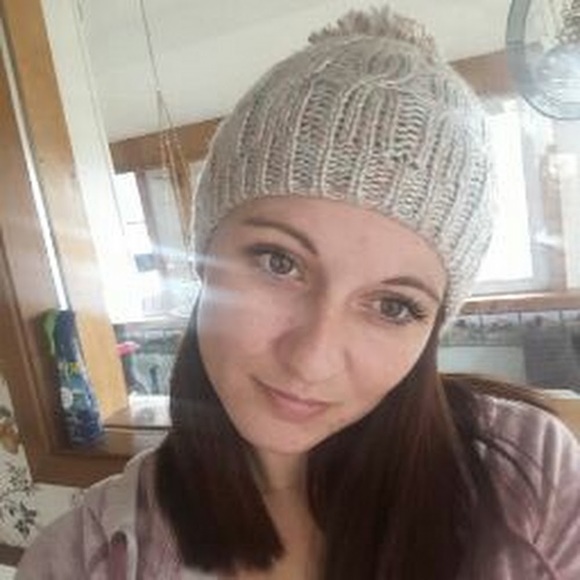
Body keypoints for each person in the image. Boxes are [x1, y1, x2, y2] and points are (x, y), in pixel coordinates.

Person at [17, 5, 580, 579]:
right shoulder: (88, 555)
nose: (311, 360)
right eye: (278, 262)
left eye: (393, 306)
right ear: (205, 258)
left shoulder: (530, 478)